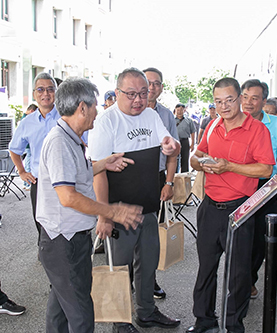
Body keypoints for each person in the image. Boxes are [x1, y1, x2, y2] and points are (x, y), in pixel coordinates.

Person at [37, 78, 144, 332]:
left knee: (61, 311)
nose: (98, 111)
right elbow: (68, 197)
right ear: (82, 108)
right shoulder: (60, 142)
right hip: (63, 242)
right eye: (95, 106)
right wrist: (112, 211)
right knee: (82, 315)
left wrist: (102, 164)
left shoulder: (71, 137)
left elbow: (74, 175)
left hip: (69, 239)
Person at [89, 67, 181, 333]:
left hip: (149, 207)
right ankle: (120, 321)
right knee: (119, 269)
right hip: (119, 211)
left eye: (143, 93)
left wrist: (170, 146)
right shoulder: (107, 122)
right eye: (131, 94)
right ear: (117, 93)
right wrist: (104, 215)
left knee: (148, 265)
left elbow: (170, 144)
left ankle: (146, 312)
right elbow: (98, 172)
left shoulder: (151, 115)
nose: (139, 100)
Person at [187, 78, 275, 333]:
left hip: (239, 210)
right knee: (206, 268)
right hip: (209, 207)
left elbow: (265, 168)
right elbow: (196, 156)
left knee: (238, 275)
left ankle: (233, 325)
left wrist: (228, 166)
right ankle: (203, 320)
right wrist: (199, 162)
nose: (224, 106)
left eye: (229, 100)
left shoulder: (257, 130)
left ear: (239, 98)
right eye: (218, 101)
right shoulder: (214, 125)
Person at [240, 79, 277, 299]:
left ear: (264, 101)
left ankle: (250, 279)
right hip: (240, 185)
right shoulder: (233, 121)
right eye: (245, 97)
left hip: (266, 186)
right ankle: (239, 281)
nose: (249, 103)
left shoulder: (275, 124)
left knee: (262, 239)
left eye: (254, 98)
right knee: (242, 235)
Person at [9, 73, 63, 245]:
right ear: (34, 94)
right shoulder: (27, 122)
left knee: (67, 219)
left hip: (65, 179)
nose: (45, 94)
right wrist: (22, 171)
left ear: (56, 92)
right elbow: (14, 149)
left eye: (50, 89)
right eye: (40, 89)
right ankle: (46, 250)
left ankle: (64, 252)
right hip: (38, 181)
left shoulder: (67, 117)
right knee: (40, 220)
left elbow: (84, 143)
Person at [143, 66, 180, 299]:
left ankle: (149, 281)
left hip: (157, 178)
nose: (151, 87)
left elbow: (173, 154)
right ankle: (127, 281)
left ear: (162, 88)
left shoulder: (166, 115)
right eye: (148, 82)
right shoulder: (124, 112)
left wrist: (169, 183)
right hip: (131, 179)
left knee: (152, 235)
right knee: (129, 233)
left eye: (156, 83)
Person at [174, 103, 196, 172]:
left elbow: (193, 131)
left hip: (185, 141)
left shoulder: (189, 121)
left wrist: (192, 144)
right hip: (175, 141)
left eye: (181, 110)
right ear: (175, 110)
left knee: (185, 159)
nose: (179, 111)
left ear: (184, 110)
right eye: (178, 110)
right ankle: (174, 176)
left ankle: (184, 177)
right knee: (174, 160)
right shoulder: (172, 120)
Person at [21, 104, 38, 190]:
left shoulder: (24, 118)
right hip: (28, 145)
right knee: (28, 164)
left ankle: (27, 183)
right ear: (32, 111)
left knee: (29, 163)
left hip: (29, 145)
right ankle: (27, 183)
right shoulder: (26, 120)